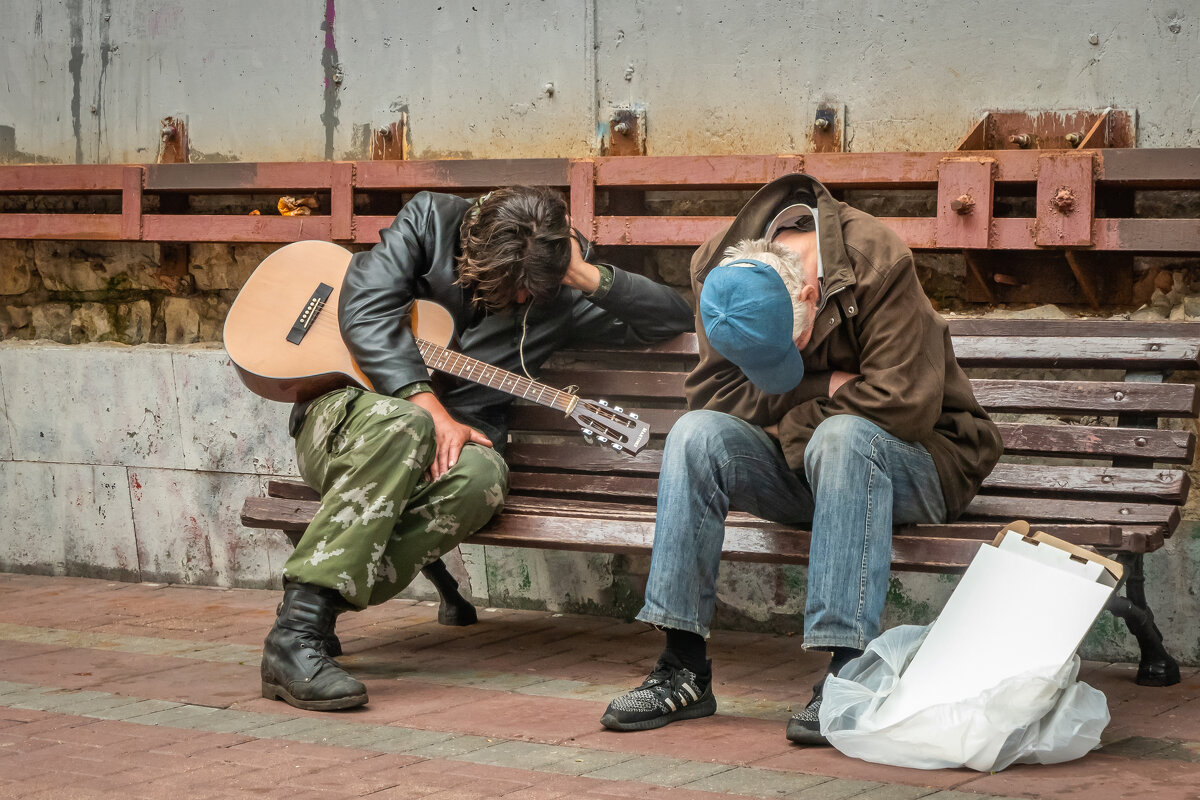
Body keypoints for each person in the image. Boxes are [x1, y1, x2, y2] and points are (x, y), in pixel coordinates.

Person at [600, 173, 1002, 743]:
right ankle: (682, 667)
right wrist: (828, 386)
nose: (780, 371)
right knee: (695, 434)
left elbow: (904, 406)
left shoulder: (877, 259)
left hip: (926, 459)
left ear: (811, 295)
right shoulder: (721, 271)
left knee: (843, 439)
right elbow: (716, 397)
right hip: (812, 468)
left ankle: (846, 673)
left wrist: (793, 418)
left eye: (789, 352)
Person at [260, 186, 694, 711]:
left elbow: (672, 318)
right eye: (507, 287)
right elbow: (365, 310)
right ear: (473, 248)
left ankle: (316, 608)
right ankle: (296, 634)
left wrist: (583, 275)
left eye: (528, 292)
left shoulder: (557, 290)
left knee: (484, 479)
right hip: (349, 420)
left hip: (453, 446)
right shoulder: (429, 221)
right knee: (407, 425)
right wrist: (430, 410)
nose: (518, 300)